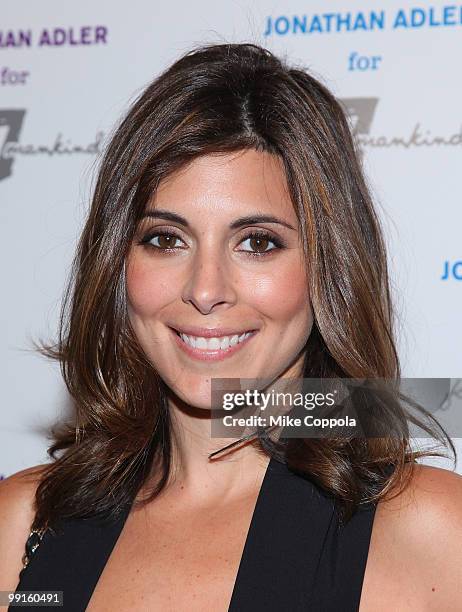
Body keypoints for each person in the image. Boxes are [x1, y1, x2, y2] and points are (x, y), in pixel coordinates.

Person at [1, 42, 461, 612]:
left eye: (257, 243)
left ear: (327, 267)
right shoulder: (25, 525)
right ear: (118, 262)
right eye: (166, 239)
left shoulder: (435, 532)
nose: (205, 289)